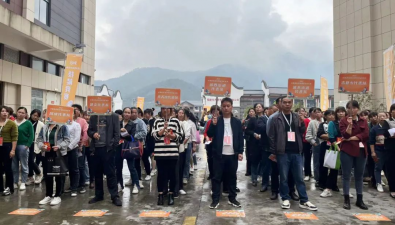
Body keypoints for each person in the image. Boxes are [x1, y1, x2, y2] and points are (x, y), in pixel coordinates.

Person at [268, 97, 317, 211]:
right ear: (280, 104)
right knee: (284, 177)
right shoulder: (276, 118)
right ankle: (285, 198)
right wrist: (274, 151)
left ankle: (304, 200)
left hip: (296, 151)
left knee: (299, 177)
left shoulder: (296, 117)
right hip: (283, 152)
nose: (287, 104)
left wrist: (301, 123)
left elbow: (302, 131)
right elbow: (271, 136)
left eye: (289, 102)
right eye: (284, 102)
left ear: (292, 104)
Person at [208, 97, 243, 209]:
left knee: (232, 177)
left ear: (232, 107)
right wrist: (213, 124)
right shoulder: (216, 121)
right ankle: (215, 199)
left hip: (232, 154)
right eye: (224, 106)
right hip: (219, 154)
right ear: (221, 108)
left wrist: (240, 151)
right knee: (217, 178)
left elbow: (240, 138)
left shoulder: (237, 122)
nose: (226, 108)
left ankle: (232, 198)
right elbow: (209, 134)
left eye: (228, 106)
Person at [339, 100, 369, 210]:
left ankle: (359, 199)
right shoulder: (343, 121)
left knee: (359, 176)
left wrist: (352, 138)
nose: (352, 110)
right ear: (347, 109)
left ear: (358, 109)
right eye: (350, 108)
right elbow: (345, 135)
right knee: (346, 175)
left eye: (355, 108)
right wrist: (349, 126)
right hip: (347, 150)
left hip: (361, 151)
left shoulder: (363, 121)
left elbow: (365, 135)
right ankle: (346, 199)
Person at [87, 112, 122, 206]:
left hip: (108, 149)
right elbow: (89, 131)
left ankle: (114, 196)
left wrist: (112, 147)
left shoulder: (114, 116)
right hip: (96, 148)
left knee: (110, 173)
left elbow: (117, 134)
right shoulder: (94, 116)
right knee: (97, 173)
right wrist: (93, 134)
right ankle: (98, 195)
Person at [152, 107, 182, 206]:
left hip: (172, 152)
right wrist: (163, 130)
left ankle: (171, 194)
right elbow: (154, 136)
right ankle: (160, 194)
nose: (165, 110)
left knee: (172, 175)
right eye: (163, 108)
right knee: (161, 174)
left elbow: (180, 136)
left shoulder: (176, 121)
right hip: (160, 153)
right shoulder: (157, 121)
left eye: (167, 108)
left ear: (171, 110)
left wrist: (171, 136)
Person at [37, 123, 70, 206]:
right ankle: (48, 195)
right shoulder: (45, 127)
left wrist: (59, 146)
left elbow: (67, 140)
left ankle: (58, 195)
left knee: (58, 174)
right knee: (47, 174)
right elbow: (39, 139)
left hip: (58, 153)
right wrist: (42, 146)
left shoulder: (62, 126)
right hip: (47, 152)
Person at [115, 107, 140, 194]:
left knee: (131, 167)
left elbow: (132, 138)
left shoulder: (132, 124)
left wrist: (125, 132)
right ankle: (120, 184)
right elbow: (114, 135)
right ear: (123, 113)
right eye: (125, 112)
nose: (127, 114)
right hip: (118, 147)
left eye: (129, 113)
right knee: (118, 168)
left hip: (129, 148)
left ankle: (136, 185)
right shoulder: (118, 123)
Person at [317, 110, 339, 198]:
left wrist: (330, 136)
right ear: (325, 116)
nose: (331, 116)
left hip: (336, 146)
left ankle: (334, 184)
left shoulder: (337, 124)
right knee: (323, 165)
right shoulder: (322, 124)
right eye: (329, 115)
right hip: (324, 146)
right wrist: (331, 136)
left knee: (334, 166)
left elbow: (337, 136)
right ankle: (322, 183)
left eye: (333, 114)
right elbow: (320, 134)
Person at [245, 103, 267, 187]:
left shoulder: (266, 118)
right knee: (254, 162)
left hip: (264, 143)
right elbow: (247, 131)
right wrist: (254, 134)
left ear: (262, 108)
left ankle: (263, 178)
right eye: (256, 107)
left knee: (264, 162)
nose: (258, 108)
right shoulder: (252, 120)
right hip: (254, 144)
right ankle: (254, 178)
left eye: (259, 107)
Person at [13, 107, 34, 191]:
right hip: (13, 146)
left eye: (23, 112)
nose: (20, 114)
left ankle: (23, 182)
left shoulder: (28, 123)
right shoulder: (12, 122)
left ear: (25, 114)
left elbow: (31, 135)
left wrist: (27, 145)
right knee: (14, 165)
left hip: (23, 146)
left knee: (24, 165)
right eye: (19, 112)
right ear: (16, 112)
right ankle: (15, 181)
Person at [127, 107, 147, 189]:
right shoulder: (128, 122)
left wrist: (133, 136)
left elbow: (144, 132)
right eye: (132, 112)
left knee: (137, 163)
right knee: (131, 164)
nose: (134, 114)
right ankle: (132, 179)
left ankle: (139, 180)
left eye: (135, 112)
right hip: (128, 145)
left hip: (137, 145)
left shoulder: (140, 122)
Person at [0, 106, 17, 196]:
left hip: (7, 146)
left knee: (7, 168)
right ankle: (0, 188)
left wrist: (13, 150)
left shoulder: (11, 123)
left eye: (6, 111)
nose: (4, 113)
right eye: (2, 111)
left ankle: (9, 188)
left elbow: (14, 137)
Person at [72, 104, 89, 194]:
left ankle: (82, 185)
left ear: (80, 111)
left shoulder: (82, 121)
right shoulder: (68, 120)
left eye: (77, 109)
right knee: (72, 166)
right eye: (73, 109)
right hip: (70, 147)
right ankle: (73, 185)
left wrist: (82, 144)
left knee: (81, 166)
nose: (75, 111)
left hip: (80, 146)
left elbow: (85, 133)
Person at [369, 112, 387, 193]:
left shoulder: (389, 127)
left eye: (383, 116)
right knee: (378, 167)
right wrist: (373, 152)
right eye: (380, 116)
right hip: (378, 151)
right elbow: (371, 142)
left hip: (389, 151)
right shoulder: (374, 129)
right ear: (377, 118)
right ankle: (378, 183)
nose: (382, 118)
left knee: (388, 168)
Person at [305, 107, 323, 186]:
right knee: (317, 163)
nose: (318, 113)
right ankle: (317, 179)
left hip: (327, 144)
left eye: (319, 112)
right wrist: (314, 143)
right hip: (317, 144)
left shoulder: (325, 122)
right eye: (316, 112)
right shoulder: (312, 123)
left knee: (326, 163)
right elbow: (308, 135)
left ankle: (324, 179)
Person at [27, 109, 44, 185]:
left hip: (35, 144)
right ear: (31, 114)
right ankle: (30, 177)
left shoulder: (41, 124)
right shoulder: (26, 122)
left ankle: (38, 173)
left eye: (37, 116)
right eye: (34, 115)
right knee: (27, 161)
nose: (35, 117)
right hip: (26, 144)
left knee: (31, 160)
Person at [204, 105, 220, 180]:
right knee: (210, 159)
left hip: (218, 144)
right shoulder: (209, 122)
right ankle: (211, 173)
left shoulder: (221, 121)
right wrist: (206, 137)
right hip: (209, 143)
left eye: (216, 111)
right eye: (213, 111)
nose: (215, 113)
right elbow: (205, 132)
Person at [383, 104, 395, 198]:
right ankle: (392, 189)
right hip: (390, 148)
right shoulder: (387, 122)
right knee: (391, 169)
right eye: (393, 110)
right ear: (391, 112)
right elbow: (385, 133)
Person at [183, 108, 197, 184]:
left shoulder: (191, 123)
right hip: (180, 143)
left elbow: (194, 136)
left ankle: (185, 176)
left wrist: (194, 146)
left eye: (182, 113)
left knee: (187, 160)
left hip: (188, 143)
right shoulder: (179, 122)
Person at [302, 107, 316, 181]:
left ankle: (311, 173)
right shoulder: (306, 120)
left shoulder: (318, 120)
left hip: (316, 142)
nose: (316, 113)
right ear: (310, 113)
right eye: (314, 111)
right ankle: (307, 173)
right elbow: (306, 131)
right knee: (307, 158)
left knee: (315, 158)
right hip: (307, 141)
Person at [176, 109, 187, 195]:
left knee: (180, 168)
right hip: (172, 149)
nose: (180, 114)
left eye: (182, 113)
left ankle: (180, 187)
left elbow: (186, 135)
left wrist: (181, 143)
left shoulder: (186, 124)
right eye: (179, 113)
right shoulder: (174, 122)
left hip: (181, 148)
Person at [142, 108, 156, 179]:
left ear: (149, 114)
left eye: (146, 114)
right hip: (147, 141)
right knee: (147, 156)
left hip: (152, 140)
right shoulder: (145, 121)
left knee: (153, 155)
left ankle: (153, 169)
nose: (145, 115)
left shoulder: (153, 121)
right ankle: (149, 170)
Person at [243, 108, 256, 176]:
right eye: (250, 111)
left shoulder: (257, 119)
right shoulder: (246, 120)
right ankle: (248, 170)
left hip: (255, 140)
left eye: (252, 111)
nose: (251, 112)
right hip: (248, 139)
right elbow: (245, 129)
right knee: (248, 155)